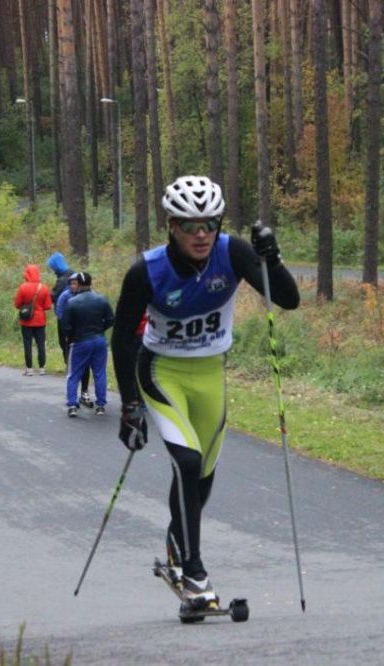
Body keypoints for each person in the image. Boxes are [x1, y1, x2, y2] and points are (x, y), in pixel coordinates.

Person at [111, 175, 299, 606]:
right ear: (171, 226)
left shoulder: (232, 253)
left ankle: (178, 544)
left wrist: (272, 260)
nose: (201, 235)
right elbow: (122, 338)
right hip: (162, 372)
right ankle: (194, 572)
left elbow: (287, 300)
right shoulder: (146, 270)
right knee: (187, 460)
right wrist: (130, 406)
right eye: (190, 225)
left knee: (203, 476)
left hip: (211, 374)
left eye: (209, 224)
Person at [61, 272, 113, 417]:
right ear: (91, 283)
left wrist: (71, 338)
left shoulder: (72, 302)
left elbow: (66, 326)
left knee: (74, 374)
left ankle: (72, 405)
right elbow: (110, 319)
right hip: (99, 340)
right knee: (99, 372)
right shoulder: (101, 299)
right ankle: (101, 405)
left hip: (80, 341)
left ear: (78, 284)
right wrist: (100, 330)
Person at [55, 272, 93, 406]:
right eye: (71, 283)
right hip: (69, 331)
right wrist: (66, 331)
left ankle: (84, 392)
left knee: (85, 365)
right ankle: (72, 397)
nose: (73, 286)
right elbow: (59, 313)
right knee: (71, 361)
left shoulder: (89, 295)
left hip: (85, 334)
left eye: (75, 283)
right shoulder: (65, 296)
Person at [14, 264, 53, 376]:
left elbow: (17, 304)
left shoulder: (23, 287)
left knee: (27, 344)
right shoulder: (44, 287)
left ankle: (29, 369)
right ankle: (42, 368)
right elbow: (48, 306)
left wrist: (26, 306)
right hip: (40, 321)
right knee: (41, 344)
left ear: (27, 274)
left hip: (26, 321)